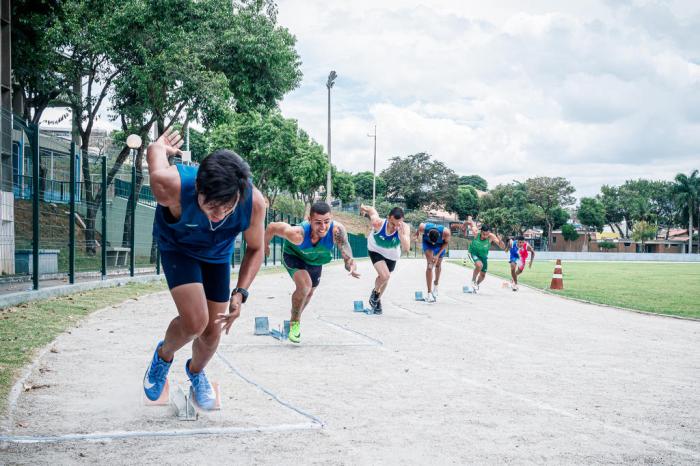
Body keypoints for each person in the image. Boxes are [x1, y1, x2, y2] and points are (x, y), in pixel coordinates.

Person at [142, 128, 266, 410]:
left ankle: (196, 373)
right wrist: (159, 146)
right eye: (211, 207)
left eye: (227, 207)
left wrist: (241, 292)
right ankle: (163, 356)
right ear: (198, 188)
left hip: (217, 255)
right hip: (178, 247)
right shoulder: (171, 186)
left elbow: (256, 248)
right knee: (195, 322)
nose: (219, 214)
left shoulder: (253, 203)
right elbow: (154, 154)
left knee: (212, 332)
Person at [264, 202, 359, 343]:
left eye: (327, 222)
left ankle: (294, 318)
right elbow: (272, 226)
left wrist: (350, 265)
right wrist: (264, 245)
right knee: (305, 286)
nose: (323, 227)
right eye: (318, 223)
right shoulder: (297, 234)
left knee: (309, 292)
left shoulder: (337, 231)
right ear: (309, 220)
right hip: (294, 256)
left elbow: (346, 250)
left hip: (315, 260)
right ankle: (295, 324)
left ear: (331, 219)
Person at [360, 204, 411, 314]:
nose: (395, 226)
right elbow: (372, 211)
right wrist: (363, 208)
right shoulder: (378, 223)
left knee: (385, 279)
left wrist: (401, 235)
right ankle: (374, 294)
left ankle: (377, 301)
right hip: (375, 250)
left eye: (398, 224)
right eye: (392, 223)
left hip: (392, 256)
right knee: (385, 275)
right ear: (388, 218)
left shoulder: (404, 228)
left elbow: (407, 248)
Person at [463, 216, 505, 293]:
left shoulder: (491, 236)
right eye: (483, 234)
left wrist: (500, 240)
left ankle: (476, 285)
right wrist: (468, 221)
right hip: (473, 253)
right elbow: (471, 224)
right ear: (480, 232)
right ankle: (473, 280)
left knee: (482, 276)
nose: (485, 236)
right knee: (479, 265)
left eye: (487, 234)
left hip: (483, 256)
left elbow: (502, 247)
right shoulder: (476, 233)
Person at [415, 222, 451, 302]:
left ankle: (436, 284)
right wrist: (417, 236)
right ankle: (429, 293)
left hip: (440, 246)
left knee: (438, 265)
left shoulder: (446, 232)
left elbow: (446, 243)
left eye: (434, 241)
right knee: (430, 266)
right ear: (427, 234)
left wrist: (437, 255)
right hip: (427, 244)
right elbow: (418, 230)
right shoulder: (422, 227)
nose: (433, 243)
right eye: (432, 241)